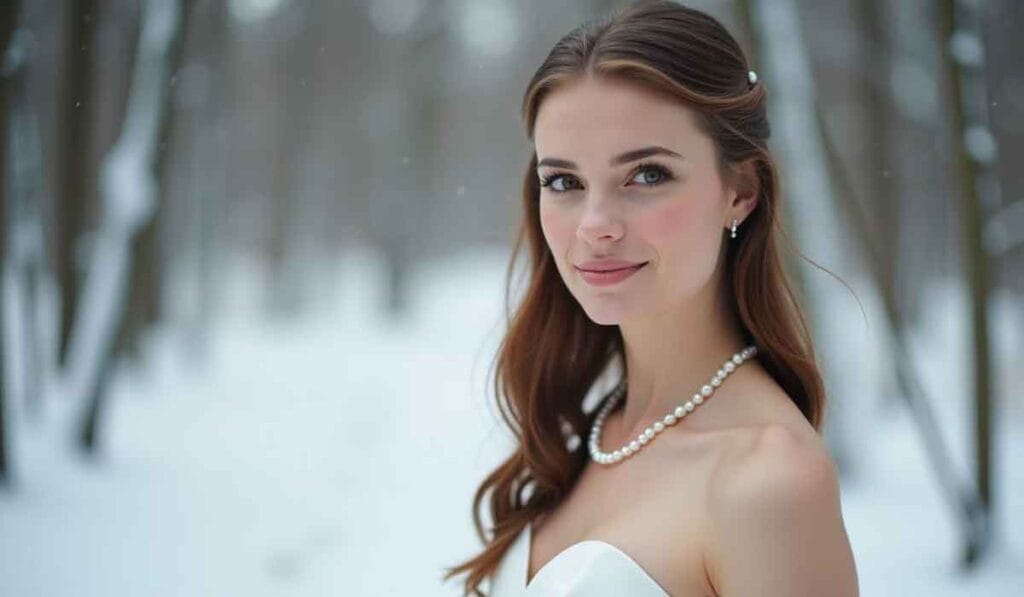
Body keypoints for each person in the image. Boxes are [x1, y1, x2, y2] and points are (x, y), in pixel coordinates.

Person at [444, 1, 859, 595]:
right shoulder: (584, 437)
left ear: (739, 191)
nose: (595, 225)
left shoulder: (768, 481)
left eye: (646, 175)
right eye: (564, 182)